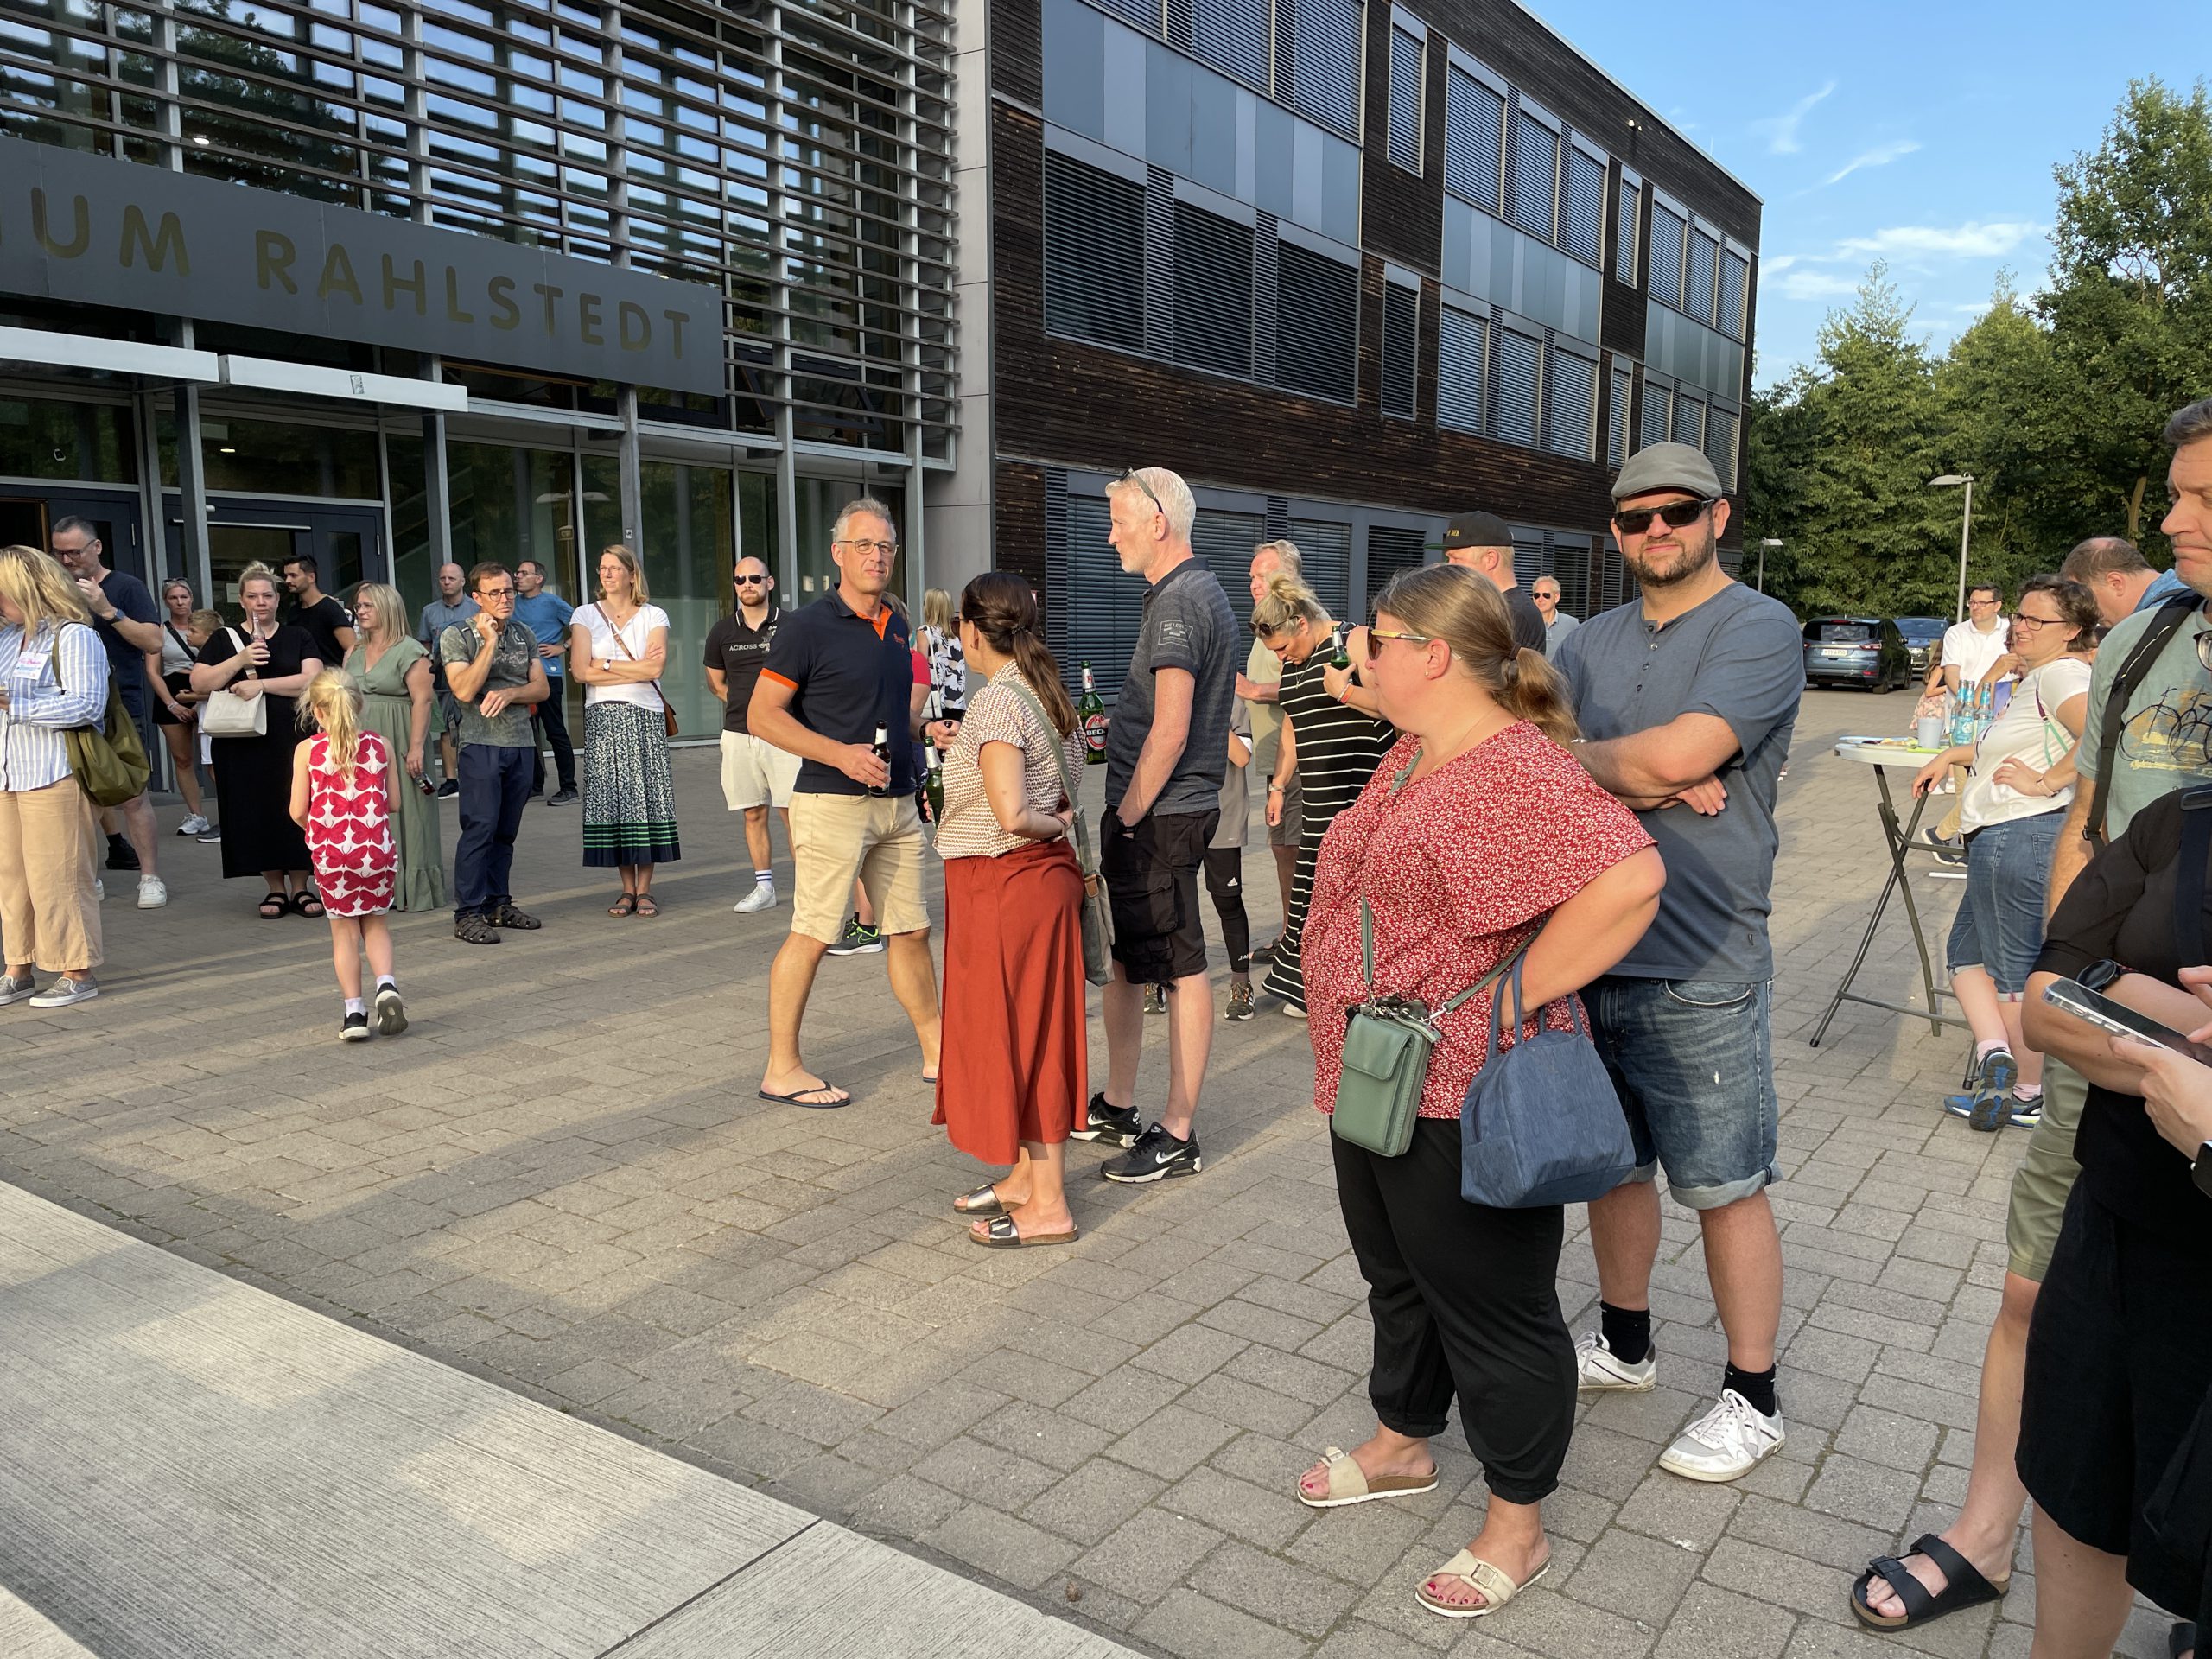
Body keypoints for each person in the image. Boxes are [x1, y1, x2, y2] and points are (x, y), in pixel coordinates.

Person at [1847, 397, 2212, 1634]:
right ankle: (1986, 1531)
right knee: (2036, 1301)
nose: (2171, 522)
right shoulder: (2150, 638)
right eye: (2176, 490)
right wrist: (2071, 992)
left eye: (2202, 497)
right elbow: (2088, 827)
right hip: (2114, 1060)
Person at [1296, 563, 1664, 1618]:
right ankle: (1404, 1441)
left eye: (1375, 638)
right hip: (1375, 1070)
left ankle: (1517, 1523)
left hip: (1458, 1084)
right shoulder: (1420, 744)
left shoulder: (1510, 767)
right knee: (1398, 1275)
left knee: (1492, 1307)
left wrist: (1515, 994)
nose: (1360, 654)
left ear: (1430, 655)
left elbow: (1632, 877)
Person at [1552, 442, 1803, 1483]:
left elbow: (1670, 757)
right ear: (1614, 531)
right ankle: (1625, 1343)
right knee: (1614, 1171)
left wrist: (1636, 766)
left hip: (1701, 956)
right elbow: (1527, 756)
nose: (1656, 530)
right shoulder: (1588, 640)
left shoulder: (1758, 626)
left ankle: (1754, 1396)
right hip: (1587, 944)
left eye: (1678, 511)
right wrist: (1639, 773)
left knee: (1724, 1185)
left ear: (1718, 516)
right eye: (1635, 517)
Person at [748, 497, 955, 1109]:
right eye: (864, 545)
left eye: (885, 546)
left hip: (897, 802)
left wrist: (925, 729)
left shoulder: (896, 623)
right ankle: (782, 1069)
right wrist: (840, 754)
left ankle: (940, 1053)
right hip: (831, 801)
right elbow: (762, 716)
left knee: (911, 930)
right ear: (838, 554)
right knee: (813, 933)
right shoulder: (807, 627)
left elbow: (892, 713)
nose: (877, 556)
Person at [1078, 466, 1237, 1183]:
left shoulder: (1179, 601)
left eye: (1118, 523)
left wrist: (1128, 815)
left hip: (1161, 814)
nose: (1110, 537)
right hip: (1162, 808)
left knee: (1180, 966)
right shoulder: (1190, 593)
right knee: (1130, 957)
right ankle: (1118, 1104)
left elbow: (1172, 731)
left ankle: (1176, 1133)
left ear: (1157, 522)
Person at [932, 572, 1090, 1247]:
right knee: (1031, 1033)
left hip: (1006, 885)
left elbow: (1013, 814)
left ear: (971, 632)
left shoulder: (998, 700)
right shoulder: (1046, 689)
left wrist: (1057, 825)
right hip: (1030, 886)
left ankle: (1049, 1203)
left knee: (1026, 1041)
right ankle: (1028, 1178)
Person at [1909, 576, 2097, 1132]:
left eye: (2038, 620)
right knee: (1964, 954)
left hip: (2023, 833)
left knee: (2015, 973)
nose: (2021, 626)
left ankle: (2030, 1094)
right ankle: (1996, 1055)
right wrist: (1952, 753)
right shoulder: (2036, 678)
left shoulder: (2062, 674)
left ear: (2072, 631)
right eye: (2021, 616)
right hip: (2001, 834)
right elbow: (2003, 746)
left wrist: (2046, 782)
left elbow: (2098, 736)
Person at [1254, 571, 1391, 1020]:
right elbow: (1292, 725)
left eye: (1282, 647)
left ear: (1301, 622)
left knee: (1347, 893)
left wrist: (1345, 691)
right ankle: (1307, 985)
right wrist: (1278, 785)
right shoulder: (1293, 663)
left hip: (1358, 792)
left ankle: (1345, 988)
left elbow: (1396, 706)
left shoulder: (1354, 641)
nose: (1280, 657)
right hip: (1317, 795)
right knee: (1312, 890)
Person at [0, 544, 109, 1008]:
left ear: (26, 589)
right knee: (12, 878)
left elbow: (87, 704)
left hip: (54, 772)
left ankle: (76, 969)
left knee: (59, 875)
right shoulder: (7, 639)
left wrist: (16, 703)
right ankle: (18, 967)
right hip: (8, 773)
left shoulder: (74, 636)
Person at [190, 563, 325, 918]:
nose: (260, 602)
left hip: (293, 737)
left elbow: (313, 681)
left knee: (297, 805)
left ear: (278, 599)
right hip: (242, 742)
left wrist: (261, 685)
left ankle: (301, 887)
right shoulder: (224, 639)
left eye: (267, 595)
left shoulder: (298, 636)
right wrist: (241, 659)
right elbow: (200, 683)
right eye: (253, 596)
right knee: (255, 810)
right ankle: (275, 889)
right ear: (242, 600)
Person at [49, 516, 163, 906]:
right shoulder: (53, 589)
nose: (67, 560)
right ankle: (89, 876)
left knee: (132, 794)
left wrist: (107, 609)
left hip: (120, 708)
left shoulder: (126, 587)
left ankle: (150, 877)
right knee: (81, 795)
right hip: (67, 707)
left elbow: (153, 641)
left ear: (96, 547)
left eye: (75, 552)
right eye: (59, 553)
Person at [289, 669, 405, 1043]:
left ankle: (355, 1013)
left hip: (333, 855)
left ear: (317, 711)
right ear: (359, 704)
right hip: (376, 851)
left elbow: (297, 809)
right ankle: (386, 985)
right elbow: (395, 803)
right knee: (376, 925)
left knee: (344, 934)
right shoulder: (382, 746)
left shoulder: (308, 751)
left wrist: (316, 828)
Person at [439, 562, 549, 944]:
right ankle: (467, 913)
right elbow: (464, 690)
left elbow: (541, 689)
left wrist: (510, 693)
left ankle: (498, 904)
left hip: (521, 743)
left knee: (505, 831)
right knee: (479, 829)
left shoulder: (524, 633)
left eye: (509, 591)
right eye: (495, 593)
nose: (505, 599)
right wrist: (488, 643)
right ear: (476, 597)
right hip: (480, 743)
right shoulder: (457, 635)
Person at [569, 545, 680, 914]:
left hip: (644, 716)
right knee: (614, 801)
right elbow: (579, 671)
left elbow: (655, 669)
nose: (606, 574)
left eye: (615, 568)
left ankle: (645, 889)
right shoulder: (585, 614)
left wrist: (602, 664)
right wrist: (628, 669)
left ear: (632, 575)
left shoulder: (654, 614)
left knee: (645, 799)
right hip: (603, 717)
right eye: (602, 568)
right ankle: (626, 889)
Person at [705, 554, 799, 914]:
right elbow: (716, 683)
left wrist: (774, 712)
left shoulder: (792, 626)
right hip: (739, 735)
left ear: (769, 583)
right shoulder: (722, 631)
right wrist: (751, 708)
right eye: (740, 580)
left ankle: (808, 891)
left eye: (755, 579)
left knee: (793, 814)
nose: (747, 585)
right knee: (752, 813)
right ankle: (764, 888)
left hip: (786, 734)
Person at [344, 583, 444, 912]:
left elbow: (423, 701)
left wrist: (416, 747)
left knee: (408, 810)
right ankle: (369, 885)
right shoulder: (354, 650)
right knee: (364, 810)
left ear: (387, 608)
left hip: (400, 737)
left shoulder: (411, 651)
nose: (360, 611)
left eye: (368, 606)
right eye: (358, 606)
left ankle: (410, 887)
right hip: (360, 741)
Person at [1236, 541, 1301, 959]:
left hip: (1294, 757)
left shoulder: (1294, 622)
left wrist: (1254, 690)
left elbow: (1309, 681)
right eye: (1251, 578)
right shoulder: (1265, 622)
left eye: (1262, 576)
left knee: (1290, 847)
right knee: (1282, 846)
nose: (1254, 584)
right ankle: (1290, 934)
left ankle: (1296, 942)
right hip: (1271, 756)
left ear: (1287, 576)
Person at [147, 577, 212, 837]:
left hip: (204, 691)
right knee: (182, 758)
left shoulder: (205, 625)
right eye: (173, 598)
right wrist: (172, 704)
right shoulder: (159, 631)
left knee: (212, 757)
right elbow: (153, 671)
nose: (180, 602)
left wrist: (199, 696)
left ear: (191, 598)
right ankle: (196, 815)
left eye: (184, 597)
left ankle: (233, 813)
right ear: (166, 602)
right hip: (171, 692)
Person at [513, 558, 578, 805]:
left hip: (548, 675)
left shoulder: (553, 603)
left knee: (555, 731)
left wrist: (563, 647)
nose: (518, 576)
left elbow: (585, 627)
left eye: (524, 573)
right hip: (519, 677)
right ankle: (534, 786)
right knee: (526, 733)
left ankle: (569, 788)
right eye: (517, 573)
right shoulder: (512, 603)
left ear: (539, 578)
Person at [1440, 511, 1548, 653]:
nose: (1449, 566)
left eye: (1457, 559)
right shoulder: (1492, 606)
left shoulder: (1513, 614)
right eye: (1449, 559)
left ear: (1490, 559)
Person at [416, 562, 478, 798]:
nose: (446, 582)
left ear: (462, 581)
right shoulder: (429, 611)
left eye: (451, 578)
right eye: (443, 578)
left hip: (473, 674)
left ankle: (474, 777)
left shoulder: (477, 608)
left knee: (474, 726)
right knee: (446, 728)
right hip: (442, 677)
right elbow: (424, 643)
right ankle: (451, 780)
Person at [2058, 535, 2190, 631]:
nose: (2086, 610)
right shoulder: (2188, 597)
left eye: (2085, 597)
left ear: (2116, 583)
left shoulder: (2159, 621)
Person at [281, 554, 355, 666]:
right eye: (286, 576)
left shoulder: (330, 608)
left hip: (330, 674)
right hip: (303, 674)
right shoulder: (294, 612)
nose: (287, 580)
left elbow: (353, 648)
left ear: (311, 577)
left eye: (293, 575)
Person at [1941, 583, 2012, 696]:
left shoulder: (2011, 630)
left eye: (1982, 603)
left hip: (2002, 702)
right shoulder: (1955, 633)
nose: (1975, 607)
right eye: (1972, 603)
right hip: (1964, 702)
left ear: (1997, 606)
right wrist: (1970, 701)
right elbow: (1951, 676)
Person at [919, 586, 968, 718]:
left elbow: (922, 665)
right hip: (956, 702)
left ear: (929, 607)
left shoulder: (925, 632)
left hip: (935, 700)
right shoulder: (956, 636)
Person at [1532, 576, 1579, 656]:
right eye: (1537, 595)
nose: (1540, 599)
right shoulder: (1526, 623)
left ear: (1556, 597)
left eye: (1546, 595)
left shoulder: (1572, 624)